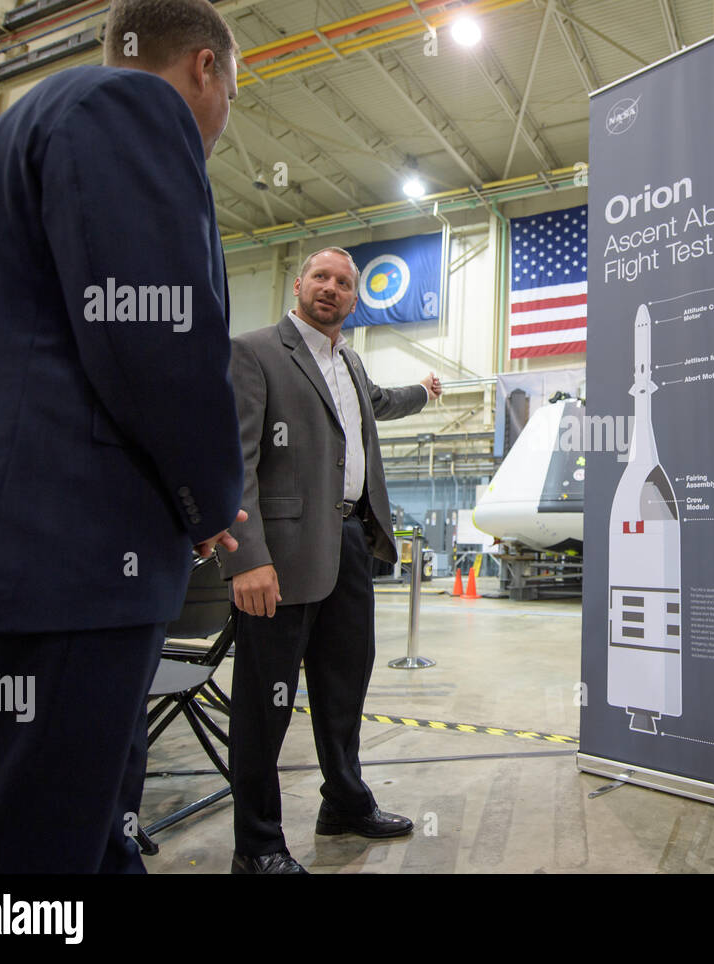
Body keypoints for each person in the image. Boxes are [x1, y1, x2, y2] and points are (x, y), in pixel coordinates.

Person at [0, 0, 246, 873]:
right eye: (231, 95)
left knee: (85, 830)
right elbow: (158, 337)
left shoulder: (4, 142)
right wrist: (211, 496)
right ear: (206, 69)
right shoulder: (128, 106)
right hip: (67, 565)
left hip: (5, 561)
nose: (220, 123)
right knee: (21, 865)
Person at [220, 247, 441, 874]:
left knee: (344, 687)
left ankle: (344, 801)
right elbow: (236, 461)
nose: (332, 288)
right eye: (321, 277)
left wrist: (424, 393)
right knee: (266, 704)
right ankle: (257, 843)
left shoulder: (348, 360)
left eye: (344, 283)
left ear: (353, 299)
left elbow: (384, 402)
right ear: (298, 284)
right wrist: (248, 559)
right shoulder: (255, 351)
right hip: (281, 555)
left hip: (350, 543)